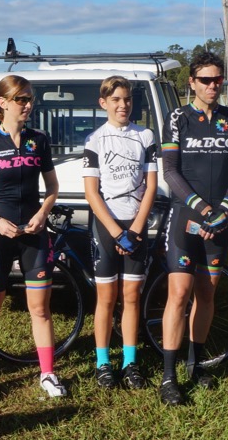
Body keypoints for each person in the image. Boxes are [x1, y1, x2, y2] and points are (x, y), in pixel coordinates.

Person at [0, 74, 65, 401]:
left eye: (30, 98)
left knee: (40, 309)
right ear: (3, 103)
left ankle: (47, 373)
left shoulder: (39, 140)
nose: (28, 105)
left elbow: (52, 187)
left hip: (34, 233)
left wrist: (42, 214)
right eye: (21, 99)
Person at [159, 51, 228, 405]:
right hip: (186, 218)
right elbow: (170, 171)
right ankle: (168, 377)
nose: (213, 86)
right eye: (206, 80)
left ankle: (195, 365)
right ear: (192, 82)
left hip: (219, 221)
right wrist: (202, 208)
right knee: (179, 294)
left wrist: (223, 210)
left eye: (218, 79)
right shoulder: (178, 117)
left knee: (207, 294)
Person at [83, 76, 157, 389]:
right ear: (104, 103)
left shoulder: (145, 135)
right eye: (115, 100)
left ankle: (130, 363)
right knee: (106, 298)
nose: (122, 105)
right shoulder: (95, 139)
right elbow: (91, 193)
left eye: (127, 99)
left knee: (131, 297)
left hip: (136, 225)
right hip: (107, 226)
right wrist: (117, 233)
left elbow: (151, 186)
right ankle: (102, 363)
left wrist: (136, 229)